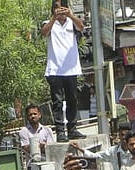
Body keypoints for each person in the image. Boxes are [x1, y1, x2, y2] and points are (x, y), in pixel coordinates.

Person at [41, 2, 85, 142]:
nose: (60, 10)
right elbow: (44, 32)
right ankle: (60, 131)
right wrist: (54, 17)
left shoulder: (72, 22)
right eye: (57, 7)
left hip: (71, 68)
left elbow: (81, 27)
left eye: (62, 7)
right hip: (55, 69)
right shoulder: (48, 23)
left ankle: (72, 129)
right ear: (53, 9)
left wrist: (70, 15)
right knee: (58, 102)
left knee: (72, 100)